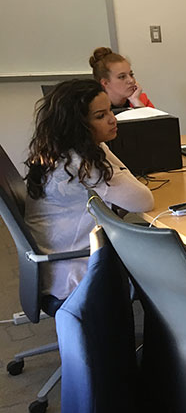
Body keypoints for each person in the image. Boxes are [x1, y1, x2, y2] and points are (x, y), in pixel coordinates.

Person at [24, 79, 154, 300]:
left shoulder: (59, 150)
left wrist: (100, 145)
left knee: (145, 235)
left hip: (58, 262)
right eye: (100, 116)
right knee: (166, 253)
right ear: (78, 125)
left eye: (110, 111)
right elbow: (143, 200)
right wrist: (104, 150)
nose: (113, 120)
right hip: (74, 273)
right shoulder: (82, 164)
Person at [89, 47, 155, 112]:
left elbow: (154, 122)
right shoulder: (95, 108)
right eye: (122, 77)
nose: (131, 80)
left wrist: (136, 101)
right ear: (105, 83)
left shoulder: (141, 99)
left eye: (131, 75)